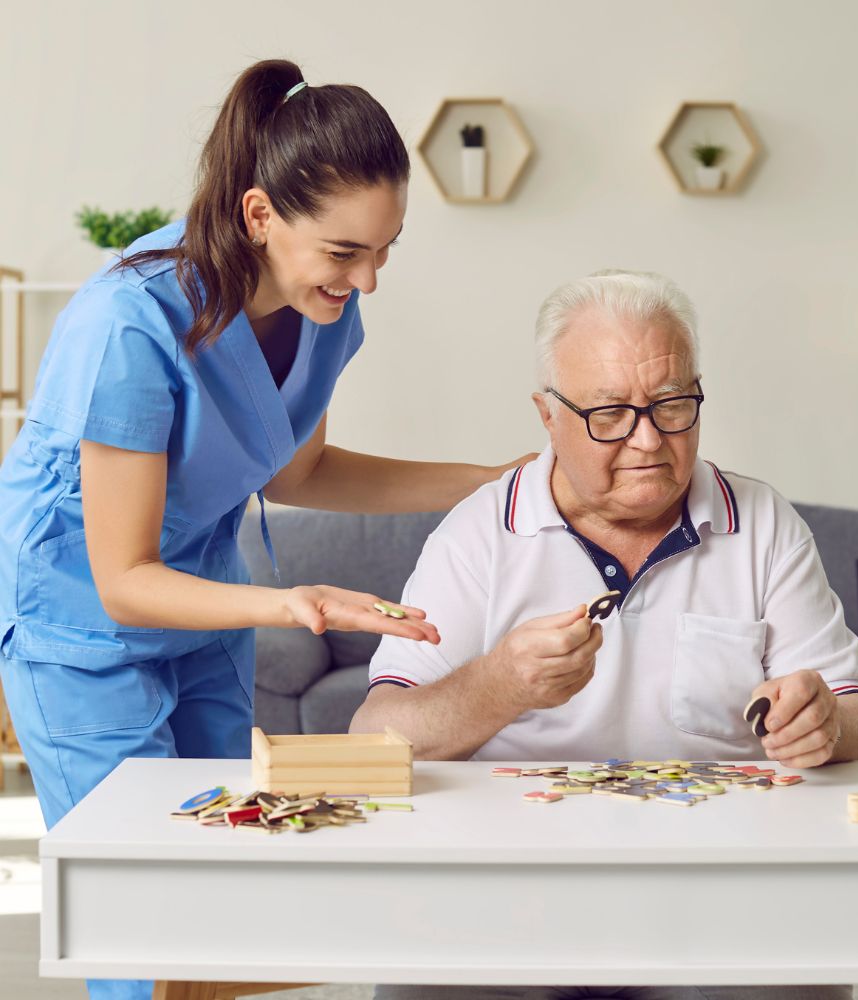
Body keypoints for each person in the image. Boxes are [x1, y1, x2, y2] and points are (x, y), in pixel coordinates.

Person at [0, 59, 529, 1000]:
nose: (367, 279)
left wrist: (487, 482)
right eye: (344, 253)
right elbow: (120, 576)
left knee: (222, 879)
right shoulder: (131, 324)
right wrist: (294, 600)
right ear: (258, 216)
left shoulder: (323, 310)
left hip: (202, 595)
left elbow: (300, 471)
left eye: (385, 249)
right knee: (137, 912)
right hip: (78, 622)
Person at [353, 270, 858, 1000]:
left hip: (721, 887)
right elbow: (373, 738)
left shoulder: (762, 523)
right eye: (609, 414)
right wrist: (499, 686)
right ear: (547, 416)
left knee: (799, 979)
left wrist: (823, 723)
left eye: (672, 406)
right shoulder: (477, 532)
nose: (647, 440)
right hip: (511, 888)